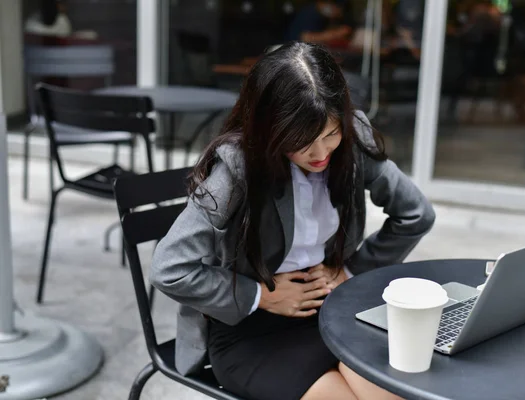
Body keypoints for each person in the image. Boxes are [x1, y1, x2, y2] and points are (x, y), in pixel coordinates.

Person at [150, 42, 435, 400]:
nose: (321, 154)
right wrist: (259, 296)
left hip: (329, 309)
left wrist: (349, 271)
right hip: (251, 331)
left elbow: (416, 214)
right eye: (302, 142)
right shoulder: (239, 167)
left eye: (330, 134)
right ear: (271, 130)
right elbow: (169, 267)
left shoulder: (352, 140)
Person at [286, 0, 352, 44]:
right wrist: (336, 34)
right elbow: (305, 38)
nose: (337, 14)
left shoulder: (323, 17)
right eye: (337, 10)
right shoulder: (309, 13)